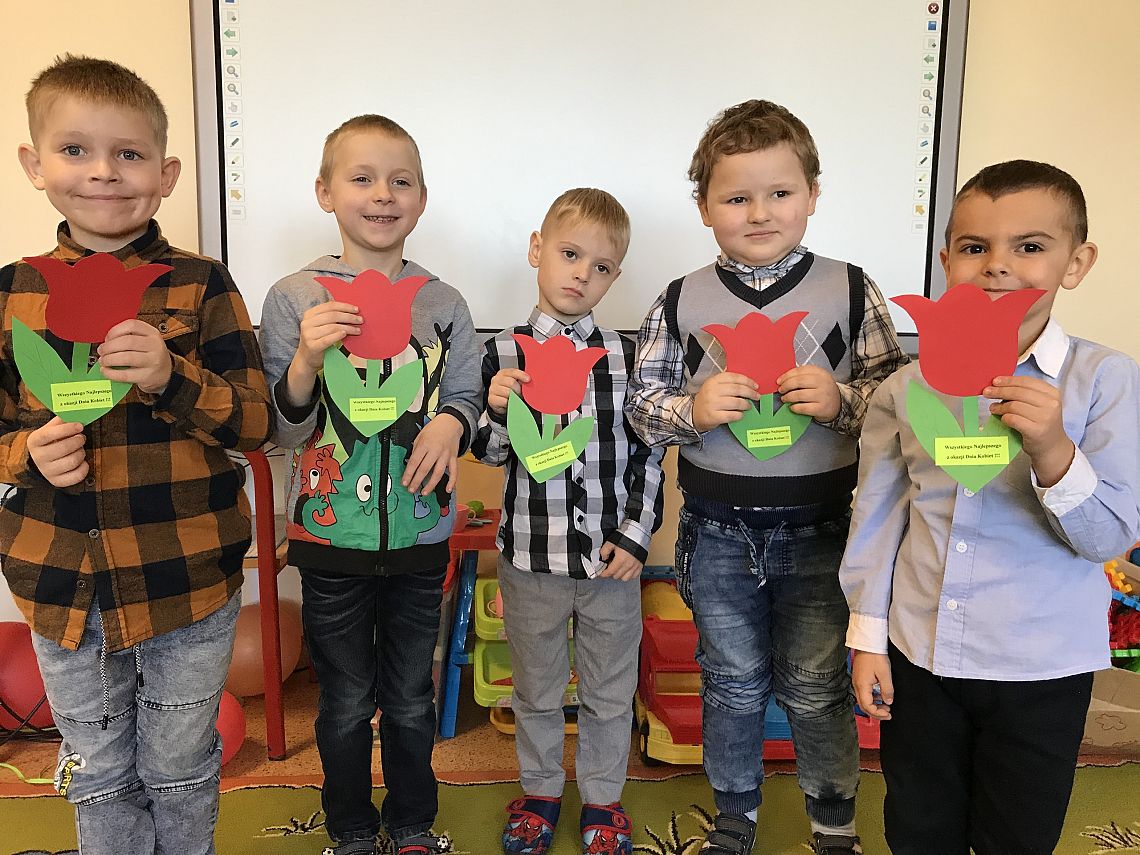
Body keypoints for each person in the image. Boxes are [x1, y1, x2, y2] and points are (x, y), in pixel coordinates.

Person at [1, 55, 272, 854]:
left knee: (179, 763)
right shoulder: (12, 291)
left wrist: (170, 375)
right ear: (34, 164)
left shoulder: (201, 283)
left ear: (166, 174)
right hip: (61, 585)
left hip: (187, 580)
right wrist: (24, 451)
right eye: (75, 150)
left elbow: (255, 422)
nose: (103, 172)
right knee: (98, 768)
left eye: (128, 153)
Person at [626, 100, 908, 855]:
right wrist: (692, 411)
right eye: (736, 197)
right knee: (732, 682)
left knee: (818, 686)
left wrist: (843, 401)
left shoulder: (851, 289)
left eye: (780, 192)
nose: (759, 213)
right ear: (703, 207)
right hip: (716, 530)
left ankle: (833, 824)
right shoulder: (680, 299)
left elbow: (899, 402)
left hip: (823, 529)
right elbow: (642, 407)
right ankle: (735, 817)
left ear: (812, 194)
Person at [841, 159, 1140, 854]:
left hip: (1042, 666)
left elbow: (1108, 538)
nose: (998, 265)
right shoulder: (907, 387)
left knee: (1018, 833)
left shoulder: (1106, 381)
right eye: (975, 247)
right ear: (947, 262)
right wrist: (867, 637)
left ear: (1076, 263)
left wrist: (1053, 449)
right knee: (918, 823)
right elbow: (877, 516)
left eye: (1029, 246)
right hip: (921, 654)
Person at [258, 114, 482, 855]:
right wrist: (305, 362)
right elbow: (280, 430)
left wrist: (452, 422)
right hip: (330, 542)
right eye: (362, 178)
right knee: (346, 702)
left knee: (412, 698)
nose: (382, 194)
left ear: (422, 198)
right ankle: (352, 828)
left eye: (400, 180)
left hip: (421, 537)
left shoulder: (444, 303)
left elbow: (468, 393)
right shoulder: (294, 297)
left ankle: (412, 823)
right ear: (325, 192)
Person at [471, 188, 664, 855]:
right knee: (537, 689)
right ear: (537, 250)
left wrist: (636, 535)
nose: (582, 274)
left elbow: (650, 454)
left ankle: (603, 798)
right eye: (570, 254)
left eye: (601, 266)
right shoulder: (503, 352)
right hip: (531, 560)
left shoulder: (627, 356)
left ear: (615, 276)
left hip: (612, 564)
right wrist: (498, 408)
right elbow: (490, 453)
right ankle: (542, 791)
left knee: (610, 690)